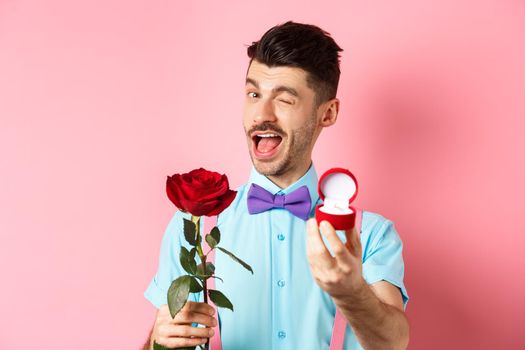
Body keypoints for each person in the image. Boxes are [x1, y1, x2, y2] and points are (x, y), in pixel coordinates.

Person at [142, 21, 409, 350]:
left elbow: (393, 342)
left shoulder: (369, 235)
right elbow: (167, 340)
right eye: (254, 94)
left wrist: (351, 291)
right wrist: (160, 341)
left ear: (327, 113)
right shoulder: (195, 224)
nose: (261, 115)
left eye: (284, 100)